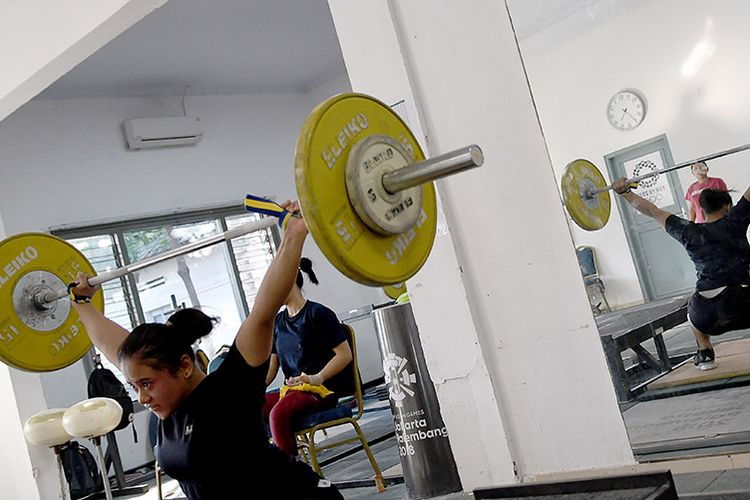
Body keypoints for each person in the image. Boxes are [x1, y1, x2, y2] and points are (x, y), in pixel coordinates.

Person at [68, 202, 344, 500]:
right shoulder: (167, 410)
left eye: (146, 384)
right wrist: (81, 305)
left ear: (184, 366)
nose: (142, 398)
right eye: (134, 386)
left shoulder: (228, 390)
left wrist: (294, 235)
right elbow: (116, 349)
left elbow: (263, 311)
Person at [612, 178, 750, 371]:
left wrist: (624, 192)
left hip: (708, 317)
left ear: (701, 210)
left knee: (692, 306)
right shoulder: (735, 221)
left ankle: (705, 353)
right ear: (728, 207)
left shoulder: (688, 232)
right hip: (745, 308)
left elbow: (653, 212)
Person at [263, 257, 354, 456]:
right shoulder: (278, 322)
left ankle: (292, 476)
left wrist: (315, 378)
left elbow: (344, 355)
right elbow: (272, 369)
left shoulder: (318, 314)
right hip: (291, 390)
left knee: (277, 415)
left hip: (319, 390)